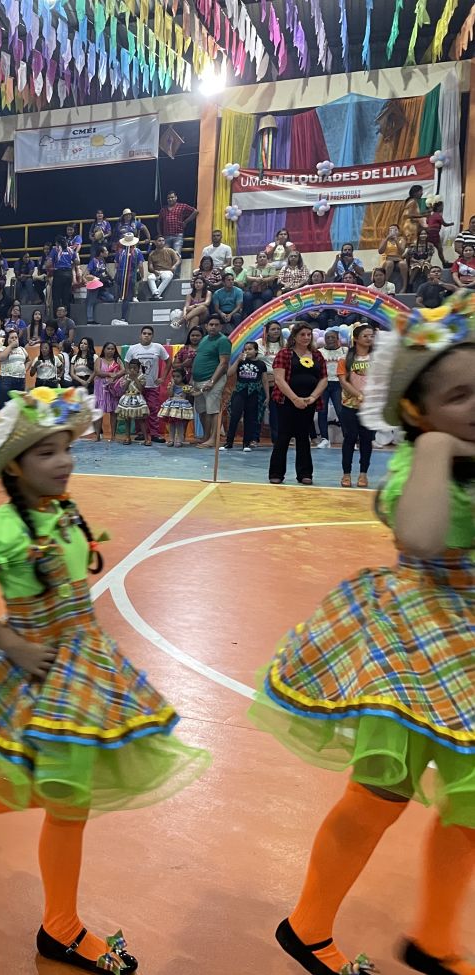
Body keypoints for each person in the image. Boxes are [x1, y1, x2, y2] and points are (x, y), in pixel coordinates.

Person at [0, 386, 208, 967]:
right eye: (47, 453)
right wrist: (10, 644)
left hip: (83, 658)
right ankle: (60, 927)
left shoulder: (62, 509)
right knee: (68, 797)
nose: (64, 461)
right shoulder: (4, 527)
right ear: (15, 467)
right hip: (39, 663)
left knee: (57, 786)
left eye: (66, 448)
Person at [249, 292, 475, 975]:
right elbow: (421, 536)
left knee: (471, 804)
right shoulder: (419, 461)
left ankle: (434, 937)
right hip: (419, 638)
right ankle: (308, 924)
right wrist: (437, 446)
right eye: (459, 395)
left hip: (467, 638)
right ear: (416, 411)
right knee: (381, 794)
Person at [266, 321, 327, 485]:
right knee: (283, 436)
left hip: (308, 403)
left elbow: (323, 379)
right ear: (294, 336)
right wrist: (295, 399)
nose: (306, 337)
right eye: (302, 334)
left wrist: (312, 397)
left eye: (309, 334)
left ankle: (305, 473)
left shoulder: (317, 355)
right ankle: (276, 473)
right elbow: (279, 379)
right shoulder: (284, 354)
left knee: (303, 437)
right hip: (286, 401)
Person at [335, 322, 375, 489]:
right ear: (356, 338)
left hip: (370, 407)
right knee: (350, 438)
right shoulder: (345, 359)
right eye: (365, 336)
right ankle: (346, 473)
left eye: (371, 336)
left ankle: (363, 474)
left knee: (366, 440)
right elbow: (343, 382)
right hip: (350, 406)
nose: (369, 338)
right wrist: (359, 395)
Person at [124, 326, 169, 443]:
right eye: (144, 333)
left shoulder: (158, 347)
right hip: (137, 386)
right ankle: (140, 433)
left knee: (153, 409)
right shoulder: (133, 348)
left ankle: (154, 434)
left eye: (149, 334)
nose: (146, 335)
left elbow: (168, 361)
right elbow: (126, 363)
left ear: (152, 336)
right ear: (140, 335)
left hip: (152, 385)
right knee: (138, 409)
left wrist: (163, 377)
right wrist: (130, 377)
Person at [191, 316, 232, 446]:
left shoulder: (223, 341)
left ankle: (214, 439)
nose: (213, 327)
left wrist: (212, 381)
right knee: (202, 410)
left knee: (213, 410)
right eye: (211, 324)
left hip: (213, 380)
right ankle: (206, 436)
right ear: (206, 326)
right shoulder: (204, 339)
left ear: (221, 327)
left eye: (216, 325)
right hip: (198, 381)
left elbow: (223, 363)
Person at [222, 342, 267, 451]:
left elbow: (264, 380)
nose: (247, 351)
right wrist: (237, 361)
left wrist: (267, 396)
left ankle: (246, 443)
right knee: (235, 416)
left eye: (250, 349)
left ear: (256, 351)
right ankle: (229, 442)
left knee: (250, 418)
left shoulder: (261, 364)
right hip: (240, 391)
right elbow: (229, 373)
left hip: (254, 392)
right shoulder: (241, 362)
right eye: (245, 349)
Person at [317, 327, 347, 449]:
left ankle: (348, 438)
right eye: (327, 337)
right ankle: (325, 439)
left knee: (341, 411)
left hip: (338, 383)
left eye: (332, 337)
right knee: (322, 411)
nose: (330, 339)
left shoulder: (345, 351)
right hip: (323, 383)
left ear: (337, 338)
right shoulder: (319, 352)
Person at [93, 342, 126, 442]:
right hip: (100, 388)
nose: (110, 351)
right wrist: (110, 374)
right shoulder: (99, 360)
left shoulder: (117, 360)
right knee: (99, 412)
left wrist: (116, 376)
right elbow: (98, 372)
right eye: (108, 348)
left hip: (113, 388)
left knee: (114, 412)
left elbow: (123, 370)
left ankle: (113, 436)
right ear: (104, 349)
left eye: (112, 349)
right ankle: (97, 435)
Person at [158, 365, 196, 448]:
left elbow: (193, 393)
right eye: (174, 376)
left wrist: (200, 391)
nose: (175, 378)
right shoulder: (172, 385)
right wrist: (171, 386)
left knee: (180, 424)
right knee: (172, 423)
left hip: (181, 407)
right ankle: (171, 439)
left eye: (178, 376)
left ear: (183, 377)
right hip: (172, 406)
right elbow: (170, 395)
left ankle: (179, 439)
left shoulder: (186, 387)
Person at [115, 359, 151, 445]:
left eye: (135, 368)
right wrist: (128, 379)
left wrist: (135, 378)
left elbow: (141, 389)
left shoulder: (141, 376)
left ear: (139, 368)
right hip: (127, 399)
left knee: (141, 420)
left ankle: (146, 438)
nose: (132, 370)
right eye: (130, 368)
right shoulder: (126, 377)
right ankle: (127, 437)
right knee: (127, 419)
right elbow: (124, 389)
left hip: (138, 399)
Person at [111, 233, 144, 322]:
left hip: (119, 276)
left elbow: (116, 265)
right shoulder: (137, 251)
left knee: (122, 294)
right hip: (130, 277)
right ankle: (123, 317)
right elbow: (141, 265)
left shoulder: (119, 252)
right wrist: (142, 275)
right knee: (126, 298)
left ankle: (119, 297)